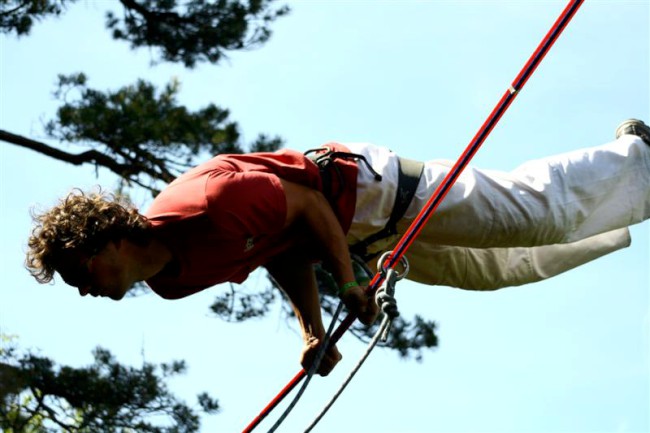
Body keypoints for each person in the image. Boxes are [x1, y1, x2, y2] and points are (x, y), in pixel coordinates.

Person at [25, 119, 650, 376]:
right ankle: (622, 209)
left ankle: (637, 157)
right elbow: (277, 248)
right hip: (352, 232)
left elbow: (306, 208)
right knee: (493, 271)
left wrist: (350, 283)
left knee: (523, 217)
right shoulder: (170, 279)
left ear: (102, 238)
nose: (81, 288)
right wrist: (311, 330)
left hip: (366, 192)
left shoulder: (207, 207)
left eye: (77, 271)